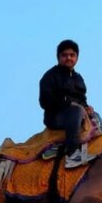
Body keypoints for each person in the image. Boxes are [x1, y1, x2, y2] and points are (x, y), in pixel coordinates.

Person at [39, 39, 95, 168]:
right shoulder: (50, 76)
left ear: (77, 57)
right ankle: (72, 155)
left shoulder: (78, 78)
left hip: (76, 114)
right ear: (58, 57)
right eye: (64, 55)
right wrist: (68, 104)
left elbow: (81, 98)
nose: (68, 58)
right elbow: (44, 101)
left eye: (72, 55)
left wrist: (86, 107)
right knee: (75, 112)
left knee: (95, 116)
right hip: (56, 116)